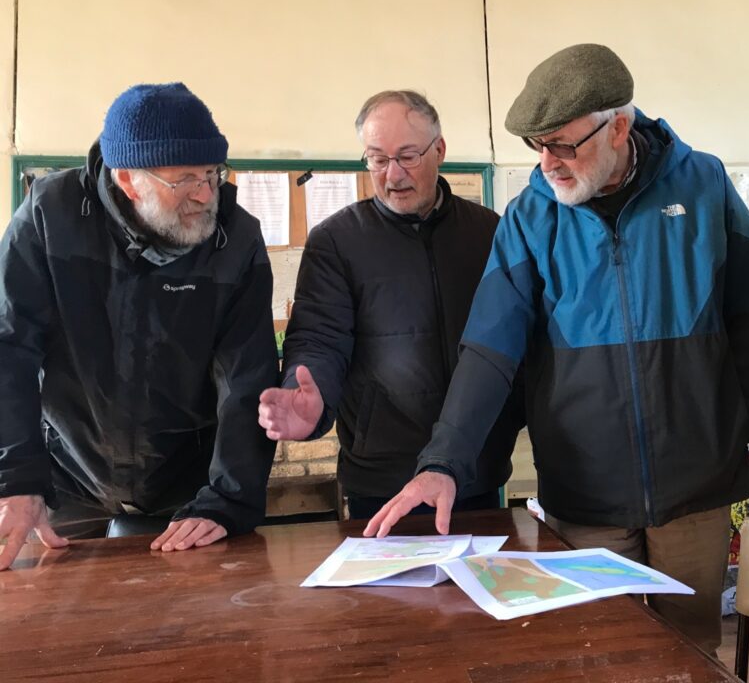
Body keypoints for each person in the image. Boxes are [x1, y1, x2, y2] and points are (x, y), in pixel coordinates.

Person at [365, 45, 749, 653]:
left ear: (618, 125)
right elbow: (490, 349)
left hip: (697, 482)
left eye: (563, 144)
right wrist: (443, 461)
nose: (548, 162)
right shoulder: (532, 216)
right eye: (538, 146)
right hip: (585, 495)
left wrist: (746, 415)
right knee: (598, 652)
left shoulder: (703, 185)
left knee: (691, 652)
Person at [0, 82, 279, 570]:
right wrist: (17, 479)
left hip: (188, 492)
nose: (205, 195)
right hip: (67, 480)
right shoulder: (50, 216)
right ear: (128, 179)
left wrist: (229, 501)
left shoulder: (237, 239)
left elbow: (247, 379)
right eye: (185, 179)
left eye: (213, 174)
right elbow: (10, 349)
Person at [257, 90, 521, 520]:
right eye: (378, 159)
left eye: (408, 157)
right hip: (381, 483)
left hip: (475, 471)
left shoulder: (488, 233)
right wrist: (311, 401)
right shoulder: (337, 242)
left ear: (439, 151)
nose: (393, 174)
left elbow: (513, 341)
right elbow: (319, 342)